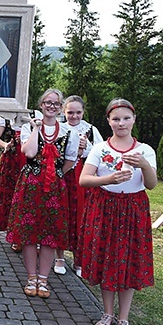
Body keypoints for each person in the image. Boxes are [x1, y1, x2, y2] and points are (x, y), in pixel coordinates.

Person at [79, 98, 157, 325]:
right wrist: (109, 179)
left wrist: (144, 165)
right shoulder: (100, 148)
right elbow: (84, 179)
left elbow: (152, 185)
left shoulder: (145, 150)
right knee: (107, 259)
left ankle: (124, 318)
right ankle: (107, 313)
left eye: (126, 118)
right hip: (104, 209)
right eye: (116, 118)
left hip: (133, 210)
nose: (121, 123)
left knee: (128, 261)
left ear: (134, 119)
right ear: (108, 121)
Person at [6, 89, 78, 299]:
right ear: (41, 105)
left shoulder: (67, 132)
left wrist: (54, 174)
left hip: (54, 187)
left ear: (60, 107)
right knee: (29, 233)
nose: (51, 106)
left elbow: (70, 160)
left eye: (56, 104)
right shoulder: (30, 127)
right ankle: (31, 277)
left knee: (49, 234)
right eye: (48, 102)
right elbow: (28, 152)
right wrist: (36, 128)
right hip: (30, 184)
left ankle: (44, 279)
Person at [54, 95, 103, 276]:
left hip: (83, 177)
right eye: (70, 112)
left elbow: (100, 153)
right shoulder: (58, 128)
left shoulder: (90, 129)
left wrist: (86, 146)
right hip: (64, 176)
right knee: (62, 213)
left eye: (78, 112)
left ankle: (79, 258)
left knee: (82, 216)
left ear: (83, 112)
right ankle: (59, 256)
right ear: (64, 112)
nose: (74, 116)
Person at [0, 115, 26, 252]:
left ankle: (28, 236)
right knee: (11, 197)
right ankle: (15, 236)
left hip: (29, 160)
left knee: (28, 198)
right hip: (11, 162)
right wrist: (5, 145)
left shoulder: (34, 116)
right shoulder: (4, 118)